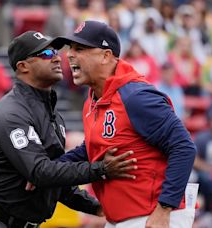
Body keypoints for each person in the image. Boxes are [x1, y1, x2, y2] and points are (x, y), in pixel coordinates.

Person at [0, 31, 137, 228]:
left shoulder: (53, 113)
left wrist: (97, 208)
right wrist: (101, 170)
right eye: (45, 54)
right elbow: (40, 172)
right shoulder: (12, 113)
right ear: (23, 66)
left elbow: (56, 182)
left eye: (55, 51)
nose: (56, 57)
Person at [54, 20, 197, 227]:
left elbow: (184, 147)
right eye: (70, 48)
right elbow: (91, 149)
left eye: (80, 48)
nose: (69, 54)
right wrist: (46, 171)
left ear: (106, 56)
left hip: (152, 216)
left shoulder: (136, 96)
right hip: (122, 218)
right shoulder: (93, 100)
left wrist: (164, 208)